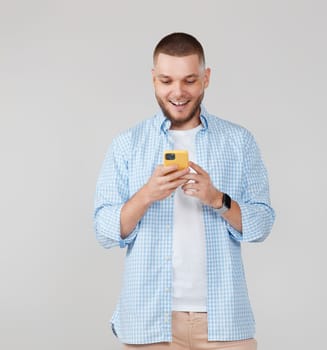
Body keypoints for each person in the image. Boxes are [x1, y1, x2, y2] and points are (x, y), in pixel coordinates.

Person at [93, 32, 275, 349]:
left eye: (189, 80)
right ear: (153, 80)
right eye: (166, 81)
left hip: (224, 320)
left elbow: (261, 225)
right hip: (148, 320)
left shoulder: (238, 141)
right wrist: (147, 194)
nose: (178, 92)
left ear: (206, 78)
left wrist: (217, 199)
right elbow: (105, 231)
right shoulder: (128, 144)